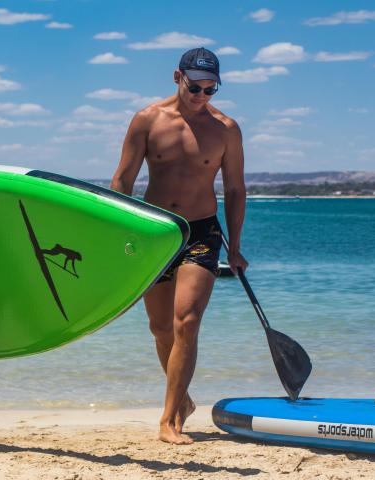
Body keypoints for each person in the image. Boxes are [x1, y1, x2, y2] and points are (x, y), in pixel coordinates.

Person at [110, 47, 248, 444]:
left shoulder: (226, 129)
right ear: (177, 77)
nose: (202, 96)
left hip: (202, 233)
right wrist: (126, 236)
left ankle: (169, 420)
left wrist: (235, 246)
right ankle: (183, 400)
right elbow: (122, 181)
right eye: (195, 87)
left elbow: (236, 189)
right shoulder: (148, 120)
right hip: (156, 231)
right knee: (159, 327)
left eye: (211, 89)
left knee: (186, 321)